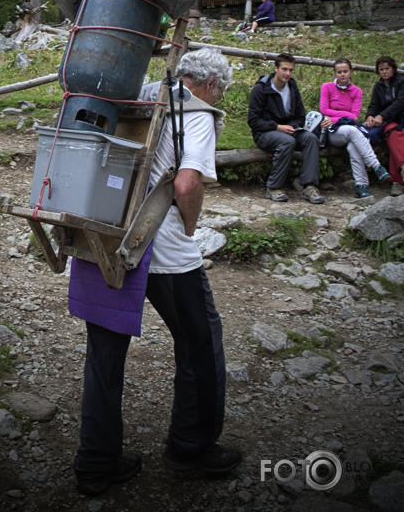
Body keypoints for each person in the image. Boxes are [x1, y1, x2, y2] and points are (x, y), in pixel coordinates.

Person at [70, 49, 241, 496]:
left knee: (104, 357)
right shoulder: (197, 113)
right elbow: (187, 183)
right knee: (199, 341)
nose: (217, 95)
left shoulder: (139, 94)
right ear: (209, 85)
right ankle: (191, 447)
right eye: (219, 89)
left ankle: (96, 464)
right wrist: (188, 225)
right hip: (158, 246)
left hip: (102, 233)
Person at [247, 52, 325, 204]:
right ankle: (274, 187)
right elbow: (253, 121)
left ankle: (309, 186)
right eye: (284, 69)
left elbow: (300, 115)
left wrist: (293, 126)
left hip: (288, 130)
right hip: (264, 133)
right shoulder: (261, 89)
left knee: (310, 139)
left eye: (291, 70)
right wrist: (277, 127)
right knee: (287, 142)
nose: (287, 73)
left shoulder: (292, 87)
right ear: (276, 68)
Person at [320, 58, 391, 198]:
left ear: (351, 72)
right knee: (353, 130)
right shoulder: (327, 87)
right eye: (339, 72)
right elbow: (323, 110)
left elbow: (355, 116)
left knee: (354, 145)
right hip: (332, 131)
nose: (342, 75)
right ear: (335, 73)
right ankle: (376, 166)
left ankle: (361, 186)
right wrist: (345, 116)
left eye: (345, 71)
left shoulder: (356, 91)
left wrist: (336, 117)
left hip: (348, 130)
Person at [364, 55, 404, 196]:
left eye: (387, 68)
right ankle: (400, 175)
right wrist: (370, 115)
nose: (384, 72)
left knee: (397, 140)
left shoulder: (401, 82)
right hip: (388, 121)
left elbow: (401, 102)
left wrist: (382, 115)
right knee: (393, 134)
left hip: (400, 117)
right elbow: (374, 105)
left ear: (393, 69)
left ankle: (397, 181)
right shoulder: (379, 86)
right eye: (381, 69)